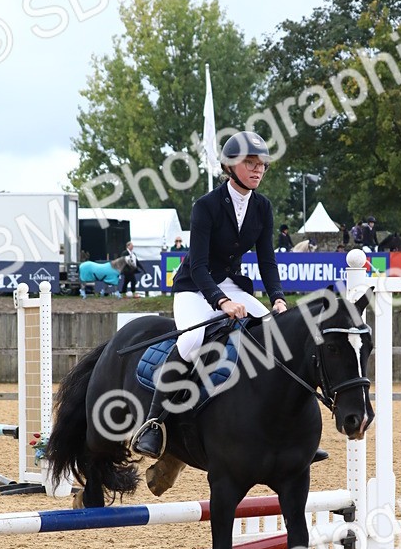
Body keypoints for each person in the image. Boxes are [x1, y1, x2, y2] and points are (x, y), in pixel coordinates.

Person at [133, 130, 327, 462]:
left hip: (232, 284)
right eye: (249, 163)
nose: (257, 170)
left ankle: (281, 428)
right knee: (192, 343)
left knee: (272, 336)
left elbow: (267, 260)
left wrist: (277, 298)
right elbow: (197, 265)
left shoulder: (262, 207)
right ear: (229, 166)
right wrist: (221, 302)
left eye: (262, 164)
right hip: (195, 287)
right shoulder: (205, 206)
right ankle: (155, 424)